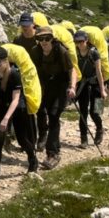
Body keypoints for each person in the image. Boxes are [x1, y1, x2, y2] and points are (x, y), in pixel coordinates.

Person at [0, 46, 38, 183]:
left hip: (17, 108)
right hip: (2, 106)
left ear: (6, 61)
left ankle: (33, 160)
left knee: (22, 138)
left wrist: (6, 119)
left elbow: (16, 99)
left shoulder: (14, 74)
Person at [29, 26, 78, 169]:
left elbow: (72, 70)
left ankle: (53, 153)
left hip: (60, 85)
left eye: (47, 38)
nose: (43, 42)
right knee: (39, 111)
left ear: (52, 39)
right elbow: (31, 70)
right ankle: (43, 137)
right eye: (40, 39)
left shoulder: (61, 51)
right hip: (43, 84)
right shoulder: (35, 52)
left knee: (54, 115)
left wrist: (72, 87)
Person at [74, 29, 106, 147]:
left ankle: (100, 129)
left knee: (95, 111)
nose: (79, 44)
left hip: (96, 84)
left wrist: (103, 89)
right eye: (76, 42)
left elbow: (99, 71)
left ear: (86, 40)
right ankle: (84, 140)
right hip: (83, 84)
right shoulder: (75, 52)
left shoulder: (94, 53)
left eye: (81, 41)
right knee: (82, 112)